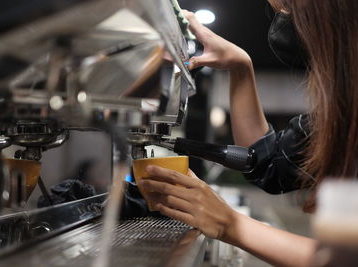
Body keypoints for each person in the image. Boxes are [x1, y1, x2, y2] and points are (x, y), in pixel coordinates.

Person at [138, 0, 358, 266]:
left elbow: (345, 258)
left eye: (289, 6)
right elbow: (268, 164)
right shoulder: (345, 115)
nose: (285, 19)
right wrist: (240, 67)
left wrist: (231, 224)